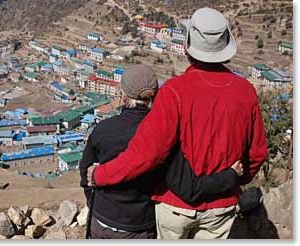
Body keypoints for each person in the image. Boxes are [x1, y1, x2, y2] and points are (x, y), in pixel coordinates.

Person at [87, 8, 268, 239]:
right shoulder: (246, 92)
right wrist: (231, 180)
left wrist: (101, 175)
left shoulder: (174, 91)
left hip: (176, 206)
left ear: (187, 45)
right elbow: (257, 154)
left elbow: (145, 154)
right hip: (222, 207)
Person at [80, 64, 244, 239]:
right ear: (156, 94)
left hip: (102, 219)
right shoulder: (164, 135)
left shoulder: (103, 130)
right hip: (139, 224)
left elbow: (86, 173)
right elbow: (185, 186)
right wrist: (230, 176)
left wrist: (96, 203)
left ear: (122, 95)